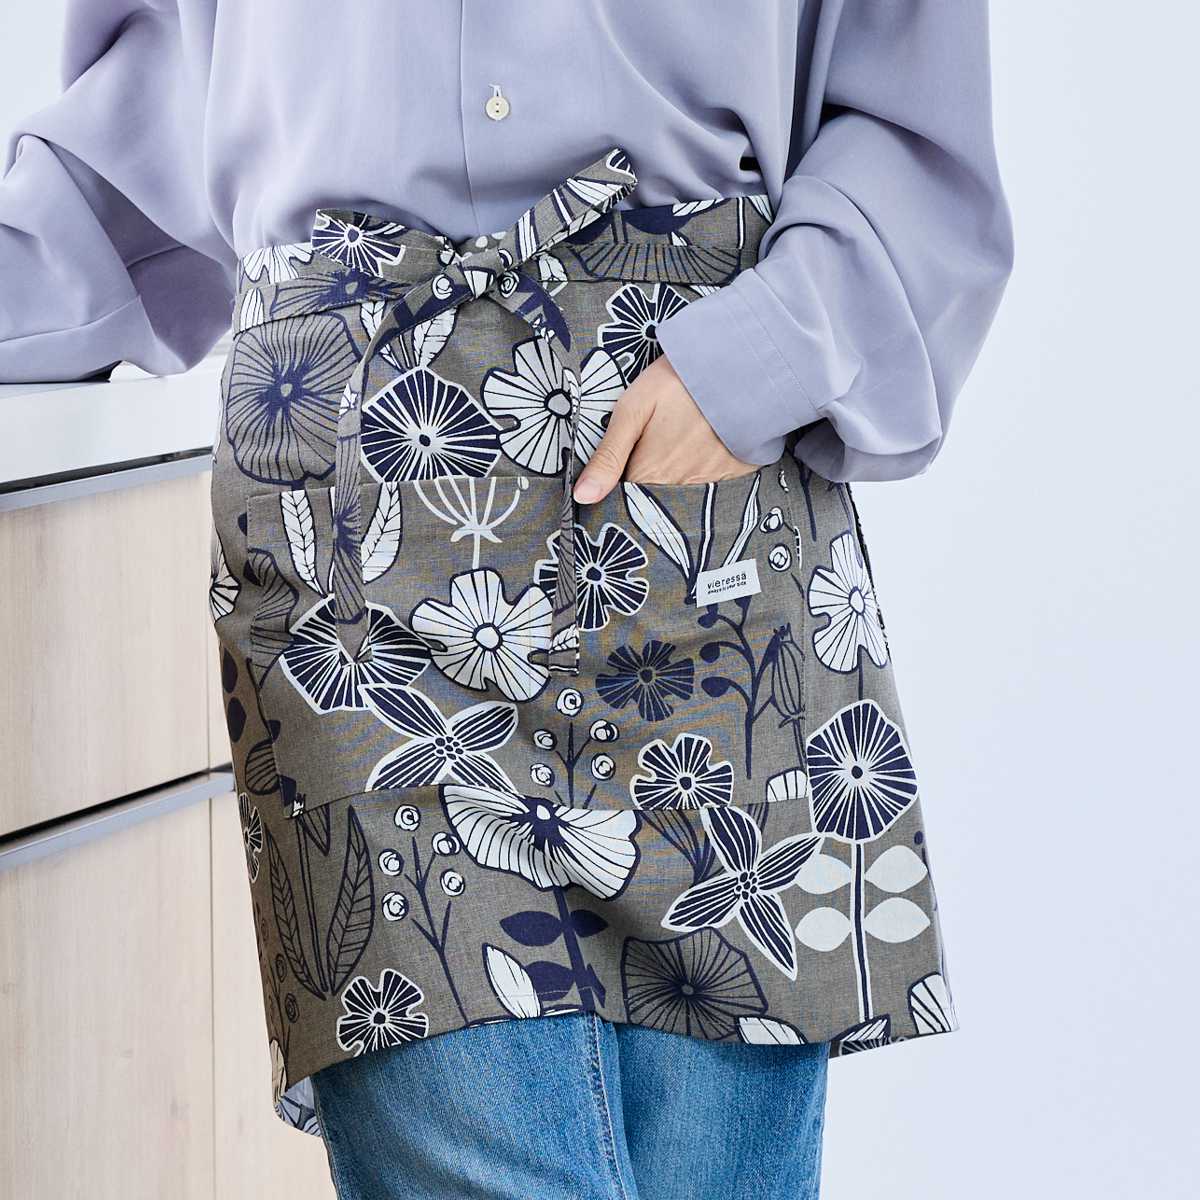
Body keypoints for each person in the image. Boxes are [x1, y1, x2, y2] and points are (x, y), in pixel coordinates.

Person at [0, 3, 1012, 1197]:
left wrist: (772, 346)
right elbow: (135, 141)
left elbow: (911, 113)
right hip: (352, 551)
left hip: (701, 501)